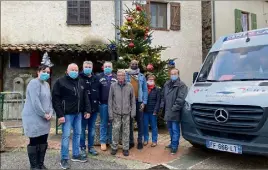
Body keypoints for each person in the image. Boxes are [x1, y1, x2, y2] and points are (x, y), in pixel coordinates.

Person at [52, 63, 91, 169]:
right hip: (67, 114)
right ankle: (64, 158)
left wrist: (87, 110)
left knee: (78, 134)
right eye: (72, 70)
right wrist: (60, 114)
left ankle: (75, 154)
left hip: (78, 114)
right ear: (67, 71)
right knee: (66, 136)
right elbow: (55, 100)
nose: (74, 72)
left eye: (76, 70)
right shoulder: (60, 82)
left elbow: (85, 97)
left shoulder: (81, 81)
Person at [22, 65, 53, 170]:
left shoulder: (47, 85)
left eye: (48, 72)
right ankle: (34, 166)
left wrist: (50, 112)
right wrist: (44, 114)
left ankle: (40, 163)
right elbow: (35, 102)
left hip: (45, 118)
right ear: (38, 72)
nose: (46, 74)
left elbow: (49, 100)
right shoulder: (33, 83)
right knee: (34, 141)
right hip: (34, 117)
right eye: (44, 71)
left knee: (43, 141)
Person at [108, 70, 136, 156]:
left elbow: (133, 100)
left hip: (126, 113)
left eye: (122, 75)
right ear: (117, 76)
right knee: (115, 131)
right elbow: (110, 100)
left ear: (125, 76)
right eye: (119, 75)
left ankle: (125, 148)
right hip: (116, 113)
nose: (120, 77)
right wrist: (110, 114)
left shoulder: (130, 86)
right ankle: (114, 147)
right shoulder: (113, 86)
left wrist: (133, 113)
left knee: (126, 131)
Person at [160, 68, 188, 154]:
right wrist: (162, 107)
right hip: (168, 111)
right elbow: (163, 96)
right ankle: (172, 143)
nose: (173, 75)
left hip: (175, 112)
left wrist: (173, 109)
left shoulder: (182, 85)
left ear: (178, 74)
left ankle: (174, 146)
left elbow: (180, 99)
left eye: (175, 74)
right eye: (172, 74)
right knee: (170, 129)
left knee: (175, 129)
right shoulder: (167, 84)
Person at [126, 60, 148, 150]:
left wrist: (144, 102)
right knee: (130, 122)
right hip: (129, 102)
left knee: (140, 122)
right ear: (129, 64)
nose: (134, 65)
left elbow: (145, 90)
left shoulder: (142, 76)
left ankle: (139, 141)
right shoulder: (126, 75)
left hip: (139, 102)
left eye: (136, 64)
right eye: (132, 64)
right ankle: (131, 141)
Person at [79, 61, 100, 157]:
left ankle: (91, 147)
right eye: (86, 66)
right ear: (83, 67)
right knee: (82, 129)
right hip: (83, 109)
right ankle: (82, 148)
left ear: (92, 67)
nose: (88, 68)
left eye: (89, 66)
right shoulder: (79, 77)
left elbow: (99, 91)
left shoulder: (96, 78)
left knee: (91, 129)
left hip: (94, 108)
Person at [98, 61, 117, 151]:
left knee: (111, 123)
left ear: (112, 68)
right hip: (103, 104)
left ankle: (110, 140)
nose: (107, 68)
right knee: (104, 123)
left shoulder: (116, 77)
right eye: (106, 66)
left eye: (109, 66)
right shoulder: (99, 77)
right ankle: (103, 141)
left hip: (114, 105)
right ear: (103, 67)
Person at [143, 74, 160, 147]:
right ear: (146, 80)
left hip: (153, 111)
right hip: (145, 111)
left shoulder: (157, 89)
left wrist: (155, 111)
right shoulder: (144, 88)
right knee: (145, 126)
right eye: (149, 79)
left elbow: (158, 101)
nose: (151, 81)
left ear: (154, 81)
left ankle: (154, 141)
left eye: (152, 80)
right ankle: (146, 140)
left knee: (154, 127)